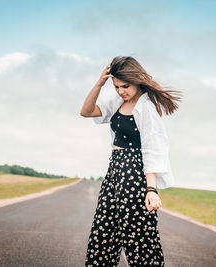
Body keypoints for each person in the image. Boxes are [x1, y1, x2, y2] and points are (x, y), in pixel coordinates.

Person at [80, 56, 182, 266]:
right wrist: (100, 83)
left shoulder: (147, 109)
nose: (120, 91)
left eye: (125, 86)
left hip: (135, 177)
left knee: (139, 239)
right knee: (103, 233)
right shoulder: (118, 101)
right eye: (116, 86)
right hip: (114, 174)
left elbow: (153, 150)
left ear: (136, 80)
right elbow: (87, 111)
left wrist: (151, 190)